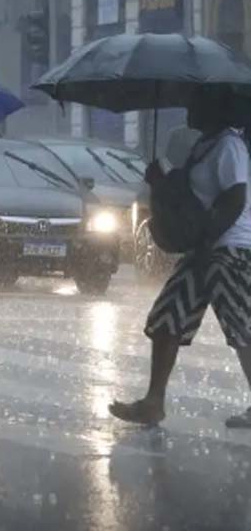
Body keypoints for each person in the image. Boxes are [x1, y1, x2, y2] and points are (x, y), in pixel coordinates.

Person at [111, 96, 251, 428]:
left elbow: (235, 197)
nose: (190, 108)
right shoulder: (205, 145)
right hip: (204, 247)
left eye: (197, 103)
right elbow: (191, 196)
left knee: (242, 326)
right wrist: (162, 180)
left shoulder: (230, 145)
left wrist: (207, 241)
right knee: (167, 318)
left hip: (229, 248)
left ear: (217, 108)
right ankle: (153, 402)